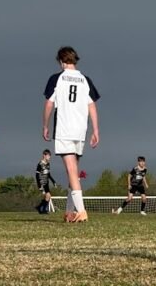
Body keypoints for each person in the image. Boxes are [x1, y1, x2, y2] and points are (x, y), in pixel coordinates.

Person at [42, 46, 100, 223]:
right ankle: (69, 211)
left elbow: (49, 104)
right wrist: (96, 129)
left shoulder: (57, 78)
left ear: (61, 61)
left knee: (71, 170)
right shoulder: (85, 79)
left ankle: (81, 211)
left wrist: (45, 125)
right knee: (73, 173)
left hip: (64, 129)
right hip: (80, 130)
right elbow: (91, 105)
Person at [35, 149, 58, 214]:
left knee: (48, 196)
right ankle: (42, 209)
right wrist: (39, 185)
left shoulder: (48, 164)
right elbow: (37, 175)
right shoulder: (40, 164)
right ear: (44, 155)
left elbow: (48, 174)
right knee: (48, 196)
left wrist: (53, 182)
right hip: (42, 182)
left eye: (50, 156)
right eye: (48, 156)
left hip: (47, 182)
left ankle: (40, 208)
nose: (49, 157)